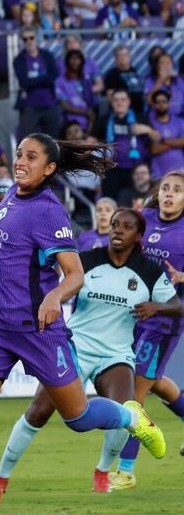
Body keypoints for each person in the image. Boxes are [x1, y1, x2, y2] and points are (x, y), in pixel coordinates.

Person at [0, 136, 166, 515]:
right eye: (18, 155)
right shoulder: (13, 194)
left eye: (31, 158)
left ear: (49, 169)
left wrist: (53, 296)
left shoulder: (50, 211)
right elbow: (11, 227)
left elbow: (74, 274)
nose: (20, 162)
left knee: (77, 418)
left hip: (38, 330)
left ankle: (130, 416)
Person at [0, 209, 180, 492]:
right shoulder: (86, 262)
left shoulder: (149, 272)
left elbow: (179, 306)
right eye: (115, 224)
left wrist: (158, 306)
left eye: (127, 227)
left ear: (138, 235)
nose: (117, 230)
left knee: (126, 415)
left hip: (117, 354)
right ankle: (1, 477)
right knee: (39, 411)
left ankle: (103, 472)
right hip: (76, 348)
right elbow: (58, 287)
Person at [112, 170, 184, 489]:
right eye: (166, 188)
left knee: (134, 396)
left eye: (178, 190)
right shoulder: (147, 217)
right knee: (153, 384)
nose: (169, 194)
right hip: (135, 315)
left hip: (163, 323)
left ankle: (126, 472)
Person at [13, 26, 61, 137]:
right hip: (30, 105)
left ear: (36, 38)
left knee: (54, 140)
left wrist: (33, 81)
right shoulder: (19, 60)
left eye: (31, 38)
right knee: (27, 140)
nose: (29, 41)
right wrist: (44, 78)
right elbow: (24, 82)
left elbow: (54, 75)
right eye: (25, 39)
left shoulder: (47, 56)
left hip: (50, 103)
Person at [56, 49, 97, 132]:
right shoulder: (60, 81)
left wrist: (90, 127)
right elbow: (65, 106)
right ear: (67, 62)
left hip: (87, 124)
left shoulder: (86, 81)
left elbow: (91, 107)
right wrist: (85, 112)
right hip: (69, 124)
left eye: (77, 59)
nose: (75, 61)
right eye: (72, 59)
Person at [148, 90, 184, 179]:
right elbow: (154, 149)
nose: (161, 104)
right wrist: (175, 142)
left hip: (180, 168)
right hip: (158, 172)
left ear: (169, 103)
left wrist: (162, 140)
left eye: (164, 101)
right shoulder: (149, 123)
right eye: (157, 102)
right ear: (153, 105)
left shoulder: (180, 122)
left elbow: (182, 142)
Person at [104, 45, 146, 115]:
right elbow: (110, 96)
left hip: (138, 111)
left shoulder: (135, 71)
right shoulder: (111, 75)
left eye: (125, 55)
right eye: (119, 56)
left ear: (129, 56)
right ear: (116, 58)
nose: (123, 58)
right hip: (123, 113)